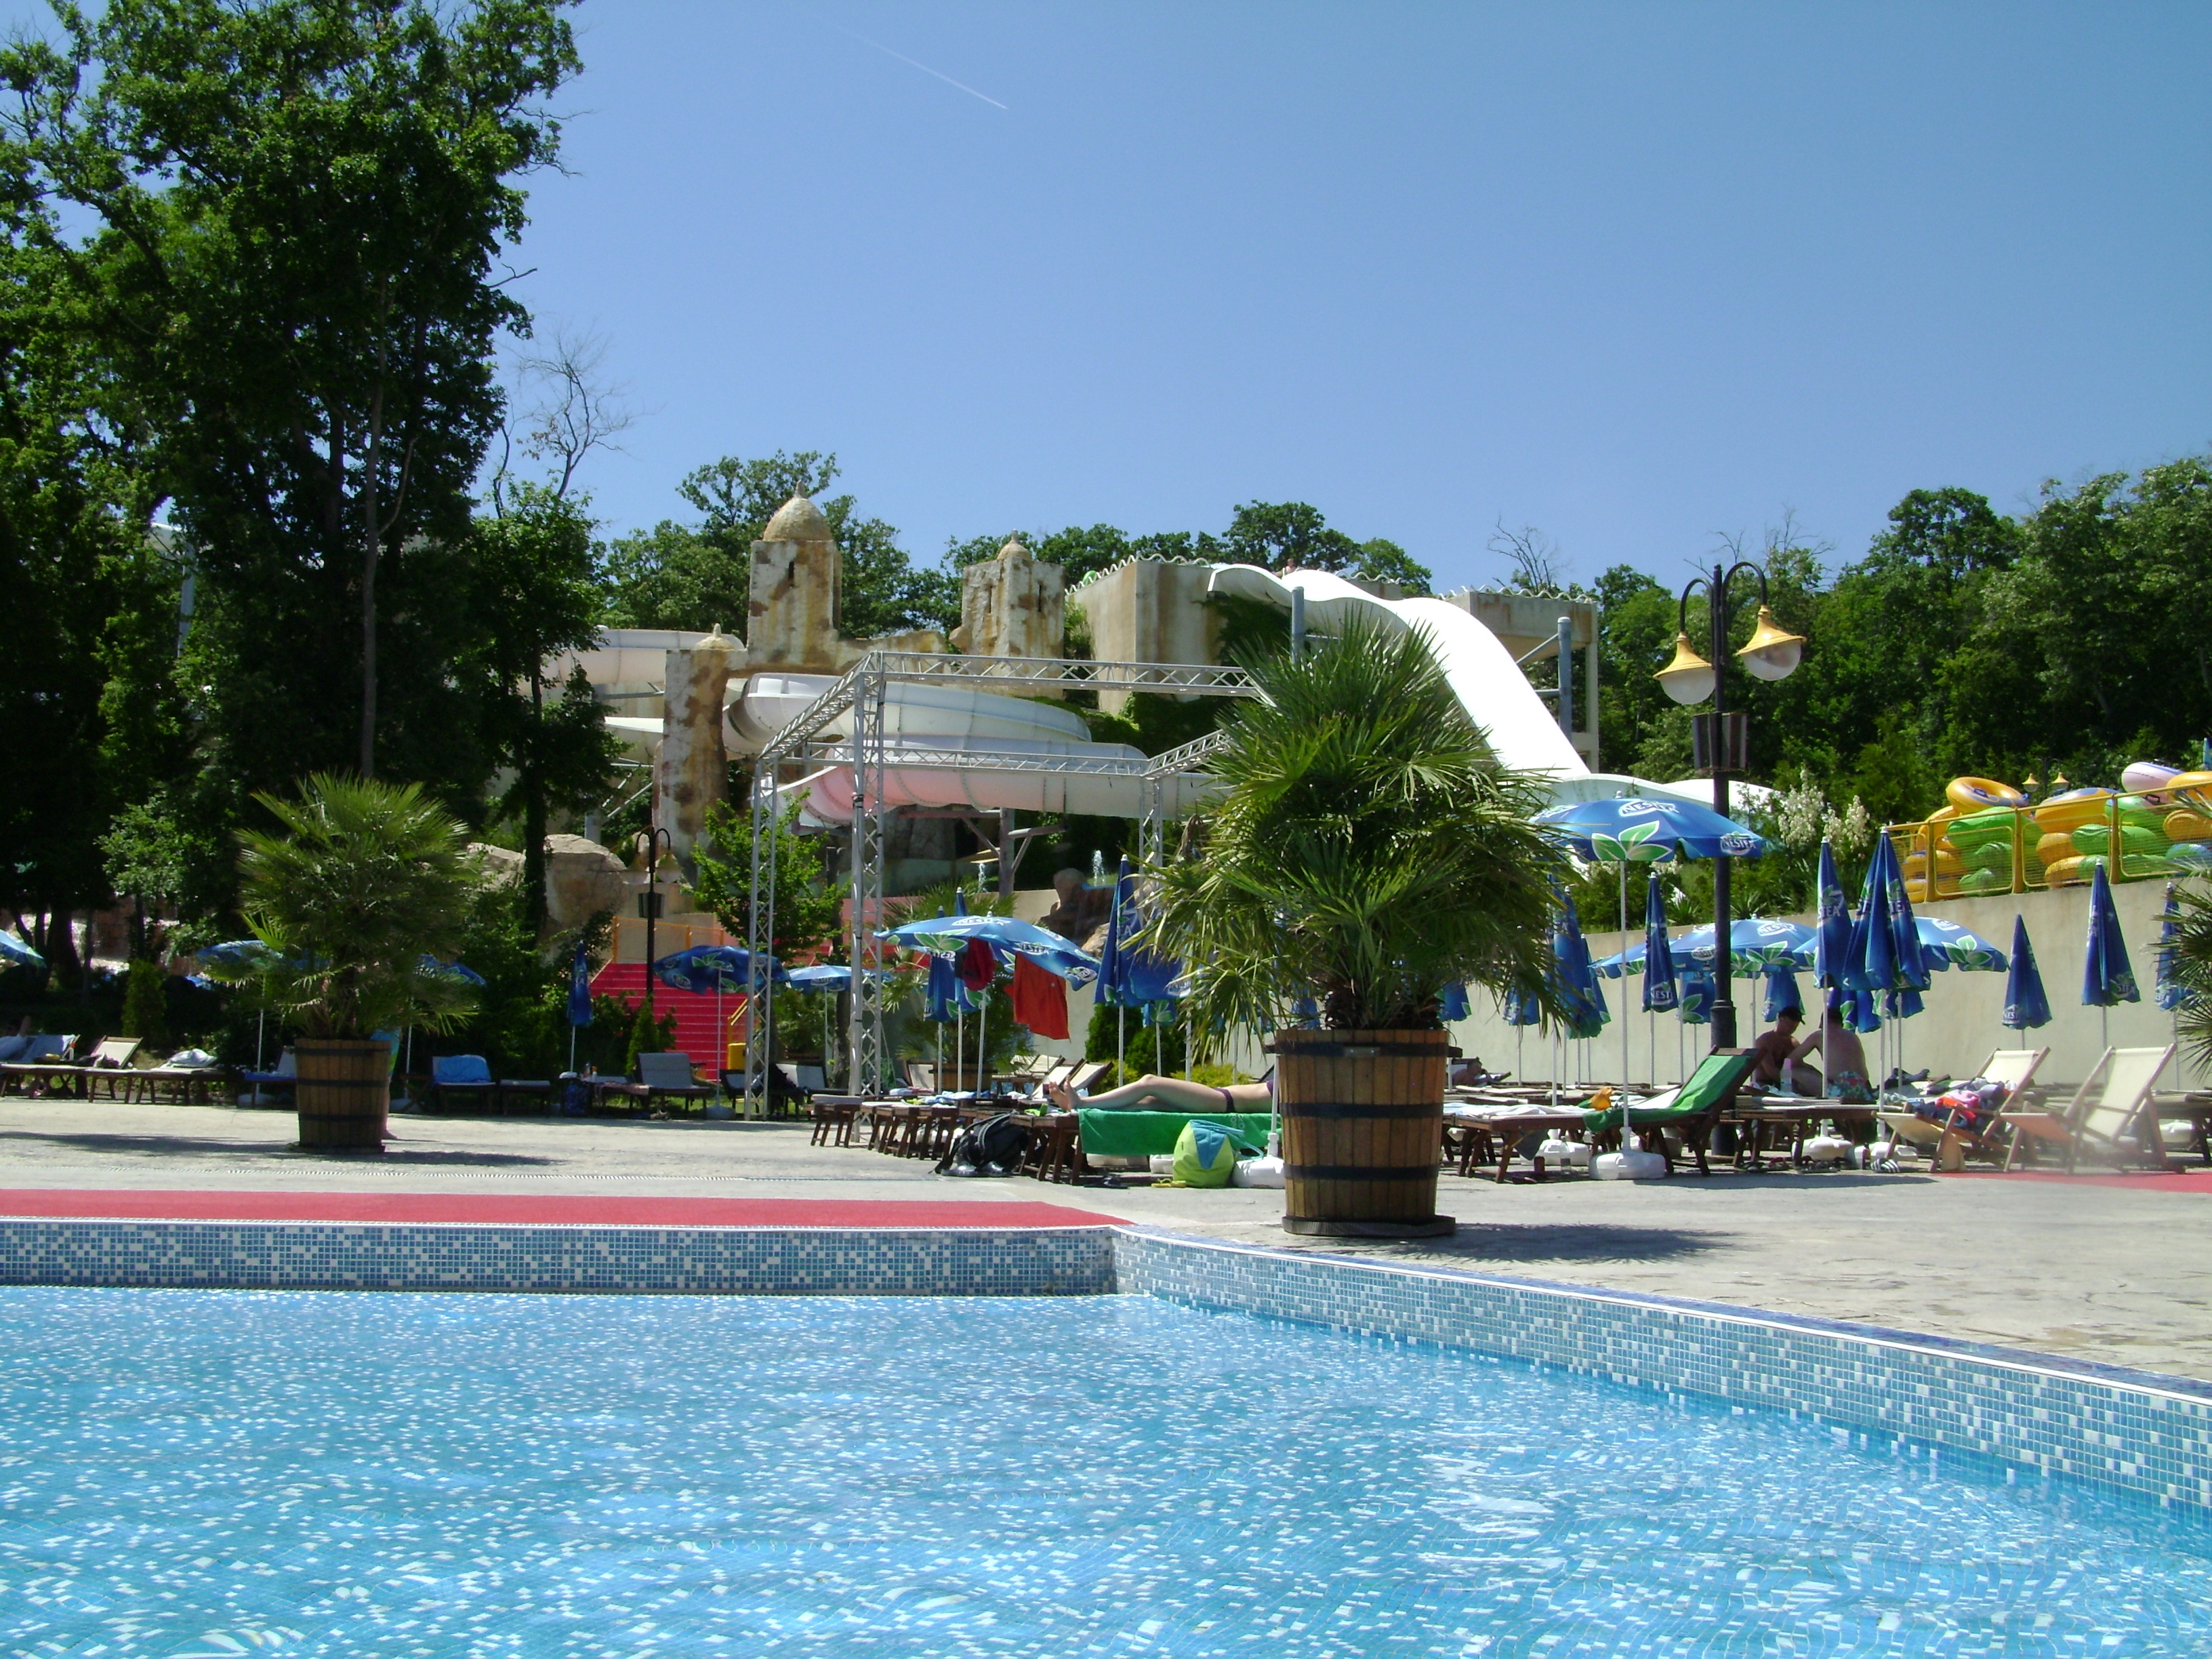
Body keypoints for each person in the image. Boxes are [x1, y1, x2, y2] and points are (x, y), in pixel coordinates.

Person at [1048, 1071, 1272, 1114]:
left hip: (1223, 1102)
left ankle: (1082, 1103)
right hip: (1221, 1097)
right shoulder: (1288, 1079)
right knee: (1148, 1101)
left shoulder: (1290, 1088)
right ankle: (1080, 1105)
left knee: (1149, 1082)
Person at [1790, 1001, 1872, 1103]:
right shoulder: (1853, 1036)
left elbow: (1790, 1060)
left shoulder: (1820, 1035)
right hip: (1864, 1089)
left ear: (1821, 1023)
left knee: (1791, 1071)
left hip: (1839, 1089)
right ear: (1841, 1024)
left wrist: (1806, 1067)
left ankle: (1787, 1094)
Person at [1747, 1006, 1816, 1094]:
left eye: (1794, 1027)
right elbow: (1771, 1071)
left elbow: (1799, 1065)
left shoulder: (1793, 1043)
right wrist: (1793, 1083)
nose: (1791, 1030)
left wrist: (1813, 1073)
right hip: (1763, 1085)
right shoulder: (1764, 1041)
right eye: (1789, 1026)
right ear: (1781, 1019)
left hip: (1784, 1086)